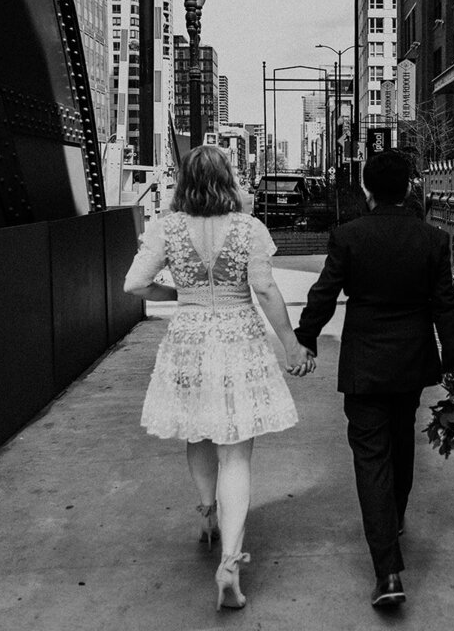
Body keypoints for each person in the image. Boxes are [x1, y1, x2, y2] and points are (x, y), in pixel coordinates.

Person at [123, 145, 313, 612]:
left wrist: (179, 292)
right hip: (238, 339)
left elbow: (134, 284)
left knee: (198, 429)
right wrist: (290, 343)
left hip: (188, 337)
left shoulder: (165, 228)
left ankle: (207, 516)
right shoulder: (248, 228)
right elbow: (265, 288)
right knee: (237, 451)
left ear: (185, 181)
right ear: (228, 179)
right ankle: (230, 561)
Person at [293, 149, 454, 608]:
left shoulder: (348, 236)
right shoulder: (432, 239)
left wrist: (306, 337)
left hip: (365, 364)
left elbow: (325, 292)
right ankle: (393, 520)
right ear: (409, 188)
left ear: (367, 190)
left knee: (371, 457)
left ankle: (388, 571)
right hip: (411, 362)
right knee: (401, 441)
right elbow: (445, 307)